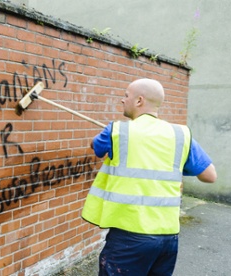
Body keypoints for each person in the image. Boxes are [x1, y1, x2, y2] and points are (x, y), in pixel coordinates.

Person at [82, 78, 217, 275]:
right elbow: (210, 176)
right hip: (167, 238)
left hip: (130, 236)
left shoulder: (117, 130)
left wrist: (105, 137)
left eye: (126, 96)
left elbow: (96, 147)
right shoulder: (180, 135)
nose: (122, 100)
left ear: (139, 101)